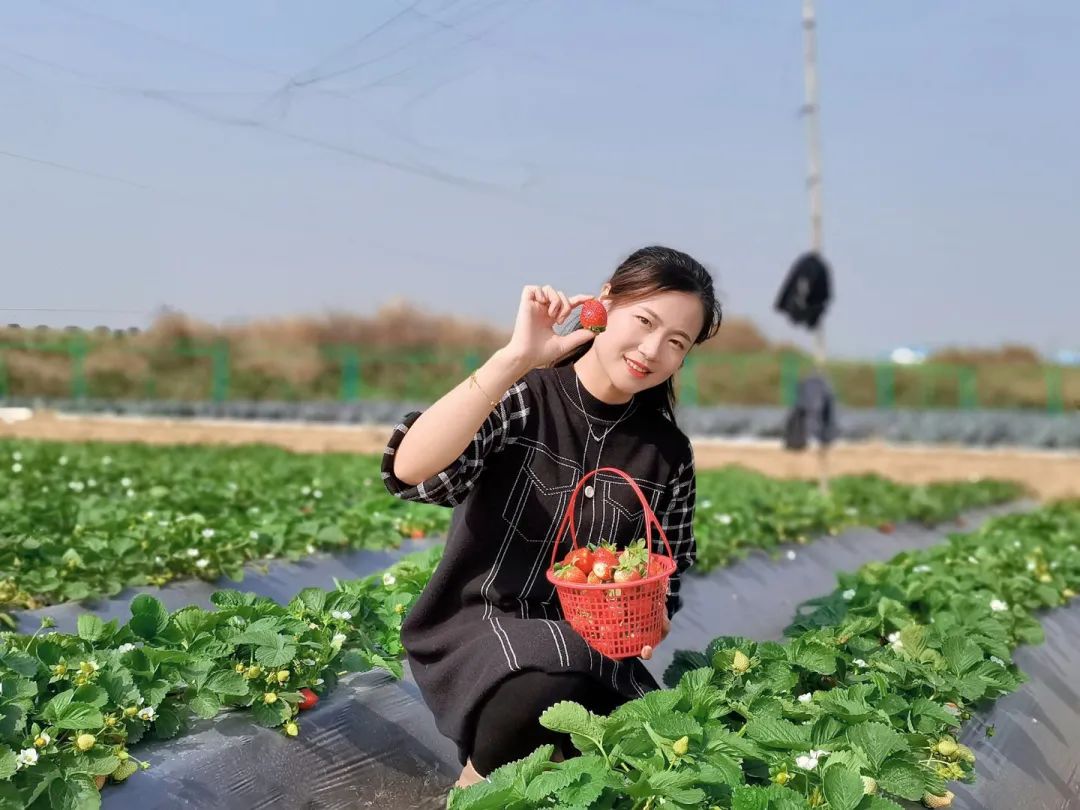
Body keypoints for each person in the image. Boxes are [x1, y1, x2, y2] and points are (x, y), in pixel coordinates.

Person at [380, 245, 723, 789]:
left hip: (595, 647)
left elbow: (670, 566)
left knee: (677, 757)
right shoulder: (526, 396)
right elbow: (415, 472)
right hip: (483, 626)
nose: (652, 349)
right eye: (645, 321)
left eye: (676, 342)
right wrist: (515, 357)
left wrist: (653, 613)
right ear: (604, 302)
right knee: (546, 685)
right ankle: (472, 792)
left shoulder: (667, 452)